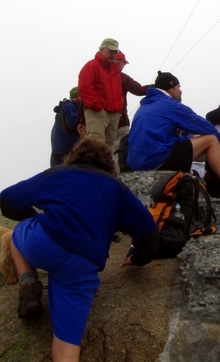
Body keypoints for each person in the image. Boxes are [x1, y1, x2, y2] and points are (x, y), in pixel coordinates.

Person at [0, 138, 159, 362]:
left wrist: (34, 217)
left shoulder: (58, 173)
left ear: (73, 158)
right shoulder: (117, 189)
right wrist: (138, 258)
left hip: (43, 243)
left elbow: (7, 199)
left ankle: (28, 284)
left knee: (19, 232)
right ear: (108, 166)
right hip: (83, 263)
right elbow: (149, 235)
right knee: (67, 345)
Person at [128, 71, 220, 200]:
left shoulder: (145, 106)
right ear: (170, 89)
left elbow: (163, 138)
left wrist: (190, 138)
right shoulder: (169, 105)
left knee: (195, 139)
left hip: (137, 163)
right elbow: (201, 124)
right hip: (155, 160)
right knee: (211, 140)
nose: (181, 91)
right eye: (178, 87)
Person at [78, 38, 124, 148]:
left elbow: (118, 91)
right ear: (102, 49)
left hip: (113, 113)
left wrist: (118, 109)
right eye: (111, 51)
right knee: (95, 146)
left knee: (109, 148)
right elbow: (85, 88)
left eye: (115, 52)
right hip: (97, 112)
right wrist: (96, 107)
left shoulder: (114, 69)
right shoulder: (91, 66)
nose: (113, 54)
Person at [112, 52, 151, 174]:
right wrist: (157, 86)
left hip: (102, 121)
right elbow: (139, 90)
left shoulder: (99, 76)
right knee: (119, 150)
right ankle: (119, 178)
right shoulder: (121, 77)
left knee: (104, 150)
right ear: (118, 63)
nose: (124, 66)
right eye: (124, 63)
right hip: (120, 121)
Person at [50, 87, 82, 167]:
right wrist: (83, 122)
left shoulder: (63, 108)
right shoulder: (69, 106)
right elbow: (72, 123)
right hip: (66, 150)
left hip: (58, 150)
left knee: (59, 176)